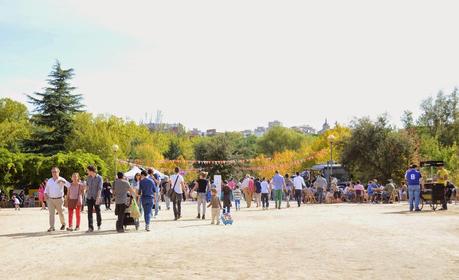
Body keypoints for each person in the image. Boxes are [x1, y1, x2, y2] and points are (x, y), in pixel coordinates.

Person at [45, 167, 70, 232]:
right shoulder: (49, 180)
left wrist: (63, 182)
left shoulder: (61, 179)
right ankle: (52, 227)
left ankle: (63, 224)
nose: (54, 173)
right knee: (51, 214)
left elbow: (69, 185)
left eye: (55, 172)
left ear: (58, 172)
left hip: (59, 199)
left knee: (60, 213)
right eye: (53, 172)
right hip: (50, 199)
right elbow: (46, 190)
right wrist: (46, 195)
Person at [85, 165, 103, 232]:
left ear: (91, 171)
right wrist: (85, 189)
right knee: (89, 212)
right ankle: (90, 227)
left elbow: (100, 188)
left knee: (98, 211)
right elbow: (87, 186)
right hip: (89, 197)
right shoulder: (88, 178)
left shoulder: (99, 178)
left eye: (87, 170)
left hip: (96, 197)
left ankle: (99, 224)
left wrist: (98, 197)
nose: (87, 172)